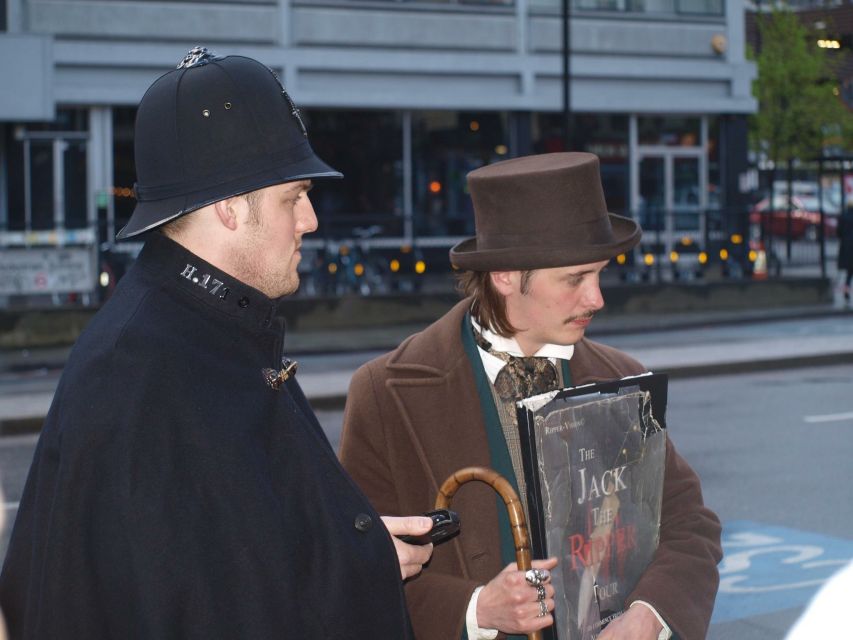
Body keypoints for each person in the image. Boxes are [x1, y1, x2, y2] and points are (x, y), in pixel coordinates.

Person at [0, 47, 433, 639]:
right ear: (231, 207)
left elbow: (239, 551)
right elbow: (199, 608)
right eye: (293, 195)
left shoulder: (202, 329)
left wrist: (352, 539)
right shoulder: (143, 371)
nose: (310, 219)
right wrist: (361, 562)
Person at [340, 152, 723, 640]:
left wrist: (651, 613)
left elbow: (689, 524)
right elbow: (354, 571)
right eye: (575, 279)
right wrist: (477, 609)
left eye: (599, 273)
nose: (597, 298)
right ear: (504, 276)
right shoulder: (385, 394)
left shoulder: (621, 377)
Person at [837, 205, 853, 304]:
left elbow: (838, 232)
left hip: (847, 246)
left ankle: (846, 292)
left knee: (849, 273)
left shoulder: (843, 216)